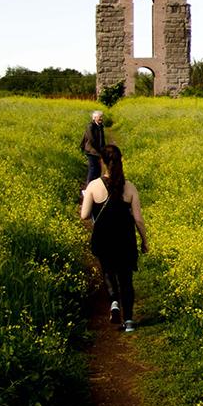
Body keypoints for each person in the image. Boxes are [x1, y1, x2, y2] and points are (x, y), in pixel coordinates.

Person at [79, 144, 150, 332]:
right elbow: (138, 219)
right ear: (120, 161)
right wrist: (144, 241)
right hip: (125, 238)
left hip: (103, 237)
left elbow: (84, 215)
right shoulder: (130, 187)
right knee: (126, 279)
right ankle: (128, 322)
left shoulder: (94, 186)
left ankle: (114, 303)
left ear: (102, 162)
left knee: (108, 271)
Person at [80, 110, 106, 183]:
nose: (101, 118)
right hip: (91, 151)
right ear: (94, 118)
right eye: (100, 117)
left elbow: (102, 139)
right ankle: (89, 187)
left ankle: (95, 187)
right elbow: (92, 140)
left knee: (98, 170)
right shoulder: (90, 126)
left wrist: (103, 149)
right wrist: (99, 150)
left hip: (97, 151)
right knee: (93, 168)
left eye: (102, 117)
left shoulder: (100, 126)